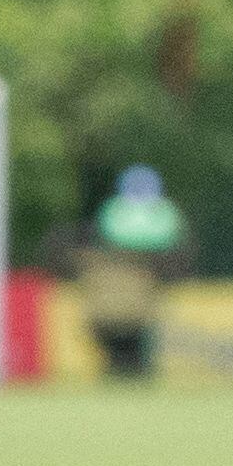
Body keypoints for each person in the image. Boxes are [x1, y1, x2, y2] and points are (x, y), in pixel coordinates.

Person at [79, 160, 189, 379]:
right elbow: (174, 248)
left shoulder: (112, 213)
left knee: (123, 348)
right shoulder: (163, 214)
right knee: (136, 346)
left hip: (116, 301)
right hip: (136, 301)